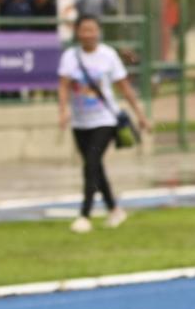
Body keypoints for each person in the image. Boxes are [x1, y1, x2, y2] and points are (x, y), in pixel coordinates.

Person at [58, 13, 152, 231]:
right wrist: (62, 111)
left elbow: (124, 87)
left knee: (91, 163)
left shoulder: (108, 55)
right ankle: (114, 210)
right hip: (80, 122)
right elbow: (63, 86)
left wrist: (141, 115)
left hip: (105, 119)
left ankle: (85, 215)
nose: (89, 34)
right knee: (95, 167)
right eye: (84, 29)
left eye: (92, 29)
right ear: (77, 32)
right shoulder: (70, 56)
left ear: (99, 32)